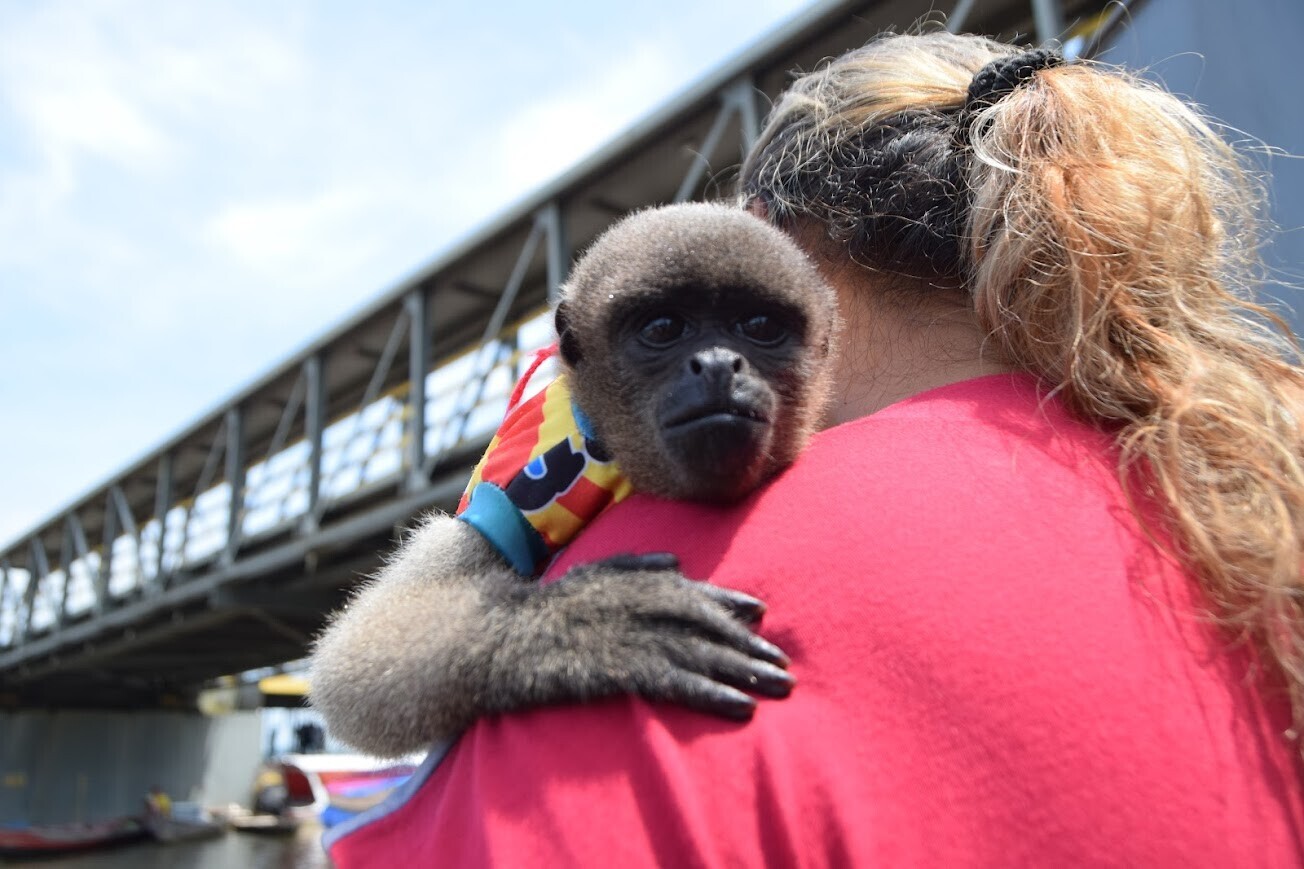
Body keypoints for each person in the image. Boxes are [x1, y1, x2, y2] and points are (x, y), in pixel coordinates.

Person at [325, 31, 1304, 865]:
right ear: (576, 350)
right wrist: (528, 634)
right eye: (660, 334)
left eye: (755, 323)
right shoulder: (1246, 481)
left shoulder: (648, 571)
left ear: (790, 265)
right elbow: (358, 678)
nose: (713, 369)